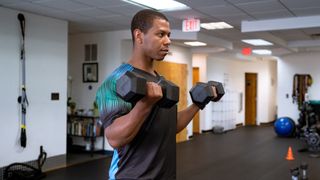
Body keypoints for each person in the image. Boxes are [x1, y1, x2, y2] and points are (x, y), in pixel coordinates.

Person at [95, 9, 217, 180]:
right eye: (160, 34)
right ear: (139, 36)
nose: (168, 41)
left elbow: (170, 125)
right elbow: (114, 138)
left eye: (168, 35)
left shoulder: (160, 81)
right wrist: (145, 105)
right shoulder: (116, 80)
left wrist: (198, 104)